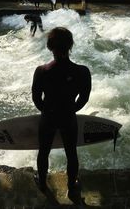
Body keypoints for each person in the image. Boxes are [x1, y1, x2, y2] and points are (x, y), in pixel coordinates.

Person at [31, 27, 92, 199]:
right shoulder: (82, 72)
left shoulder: (41, 71)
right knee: (71, 152)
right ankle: (72, 186)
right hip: (68, 118)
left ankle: (42, 183)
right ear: (70, 46)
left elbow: (36, 99)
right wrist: (70, 110)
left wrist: (49, 112)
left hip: (48, 117)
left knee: (44, 151)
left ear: (50, 46)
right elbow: (84, 98)